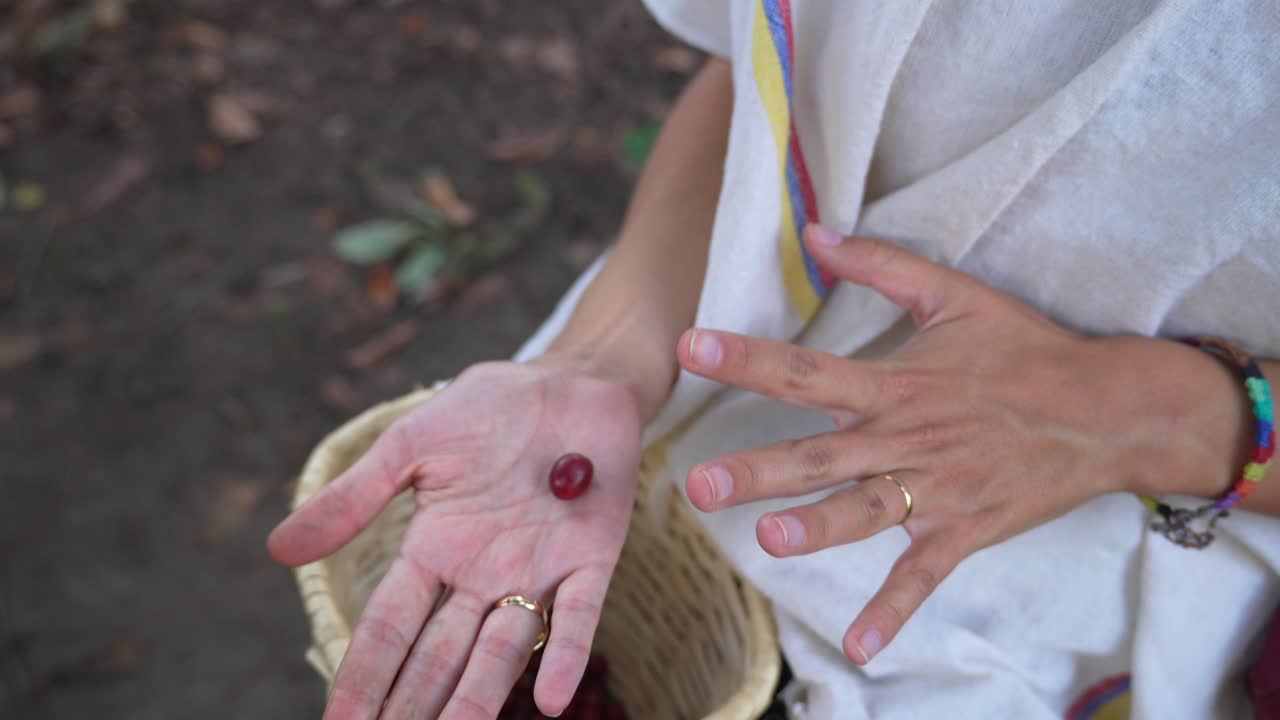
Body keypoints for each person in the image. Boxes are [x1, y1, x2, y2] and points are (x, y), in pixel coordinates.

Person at [268, 0, 1280, 717]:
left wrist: (1147, 414)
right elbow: (772, 73)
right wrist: (605, 357)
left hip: (1075, 587)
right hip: (685, 381)